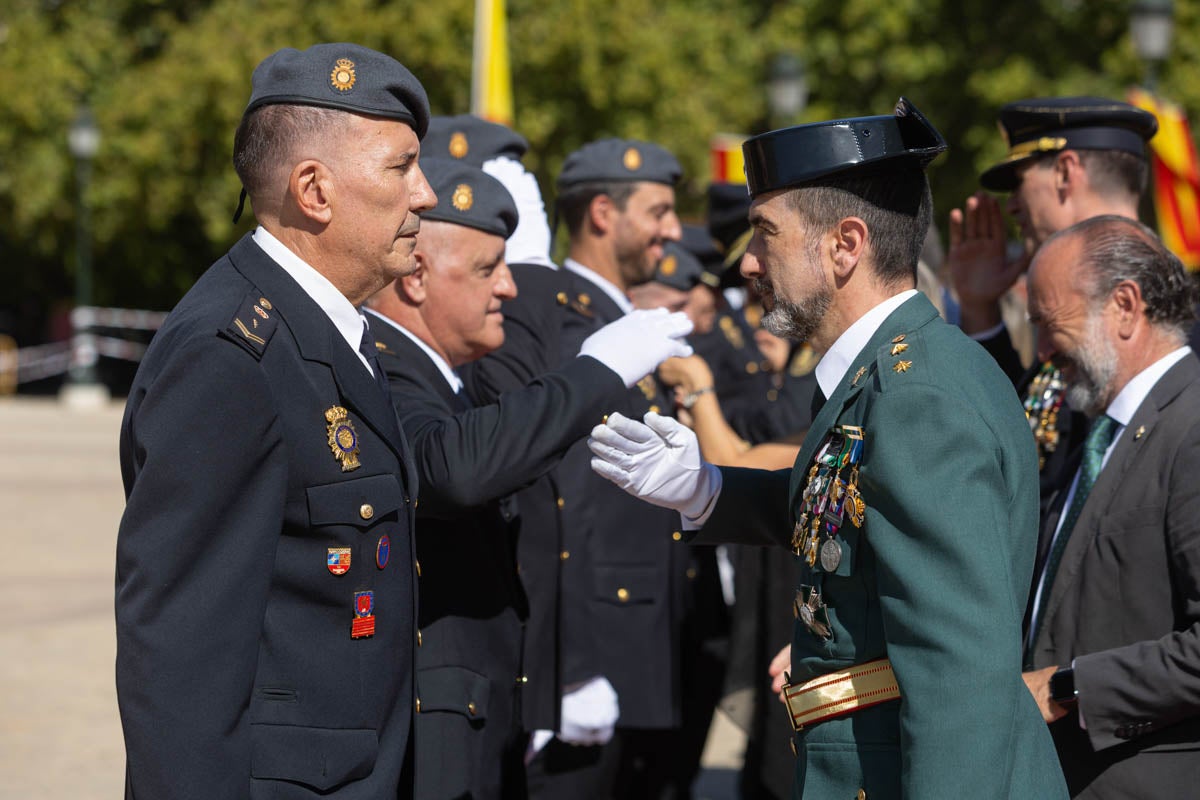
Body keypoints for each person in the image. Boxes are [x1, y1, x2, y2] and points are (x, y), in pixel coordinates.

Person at [587, 98, 1068, 798]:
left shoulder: (915, 397)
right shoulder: (888, 373)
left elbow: (957, 675)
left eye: (765, 234)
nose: (748, 263)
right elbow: (857, 516)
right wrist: (706, 488)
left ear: (845, 245)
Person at [115, 43, 436, 798]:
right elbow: (181, 657)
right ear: (314, 190)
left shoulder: (330, 329)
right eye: (400, 167)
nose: (426, 195)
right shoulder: (231, 355)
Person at [363, 157, 693, 799]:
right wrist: (597, 369)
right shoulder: (383, 364)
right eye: (488, 269)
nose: (509, 289)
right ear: (416, 278)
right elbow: (454, 468)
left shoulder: (447, 377)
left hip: (489, 711)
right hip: (436, 729)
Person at [526, 137, 695, 799]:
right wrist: (570, 669)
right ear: (603, 212)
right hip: (593, 663)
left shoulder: (613, 319)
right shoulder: (573, 329)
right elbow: (562, 502)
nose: (672, 231)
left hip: (633, 649)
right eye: (658, 212)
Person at [1019, 215, 1200, 797]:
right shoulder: (1095, 432)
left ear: (1125, 306)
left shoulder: (1191, 426)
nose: (1043, 350)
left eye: (1049, 323)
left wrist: (1069, 686)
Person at [948, 97, 1159, 480]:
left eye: (1020, 183)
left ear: (1065, 173)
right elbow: (1019, 436)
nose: (1011, 206)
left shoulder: (1173, 322)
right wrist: (980, 309)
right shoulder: (1081, 305)